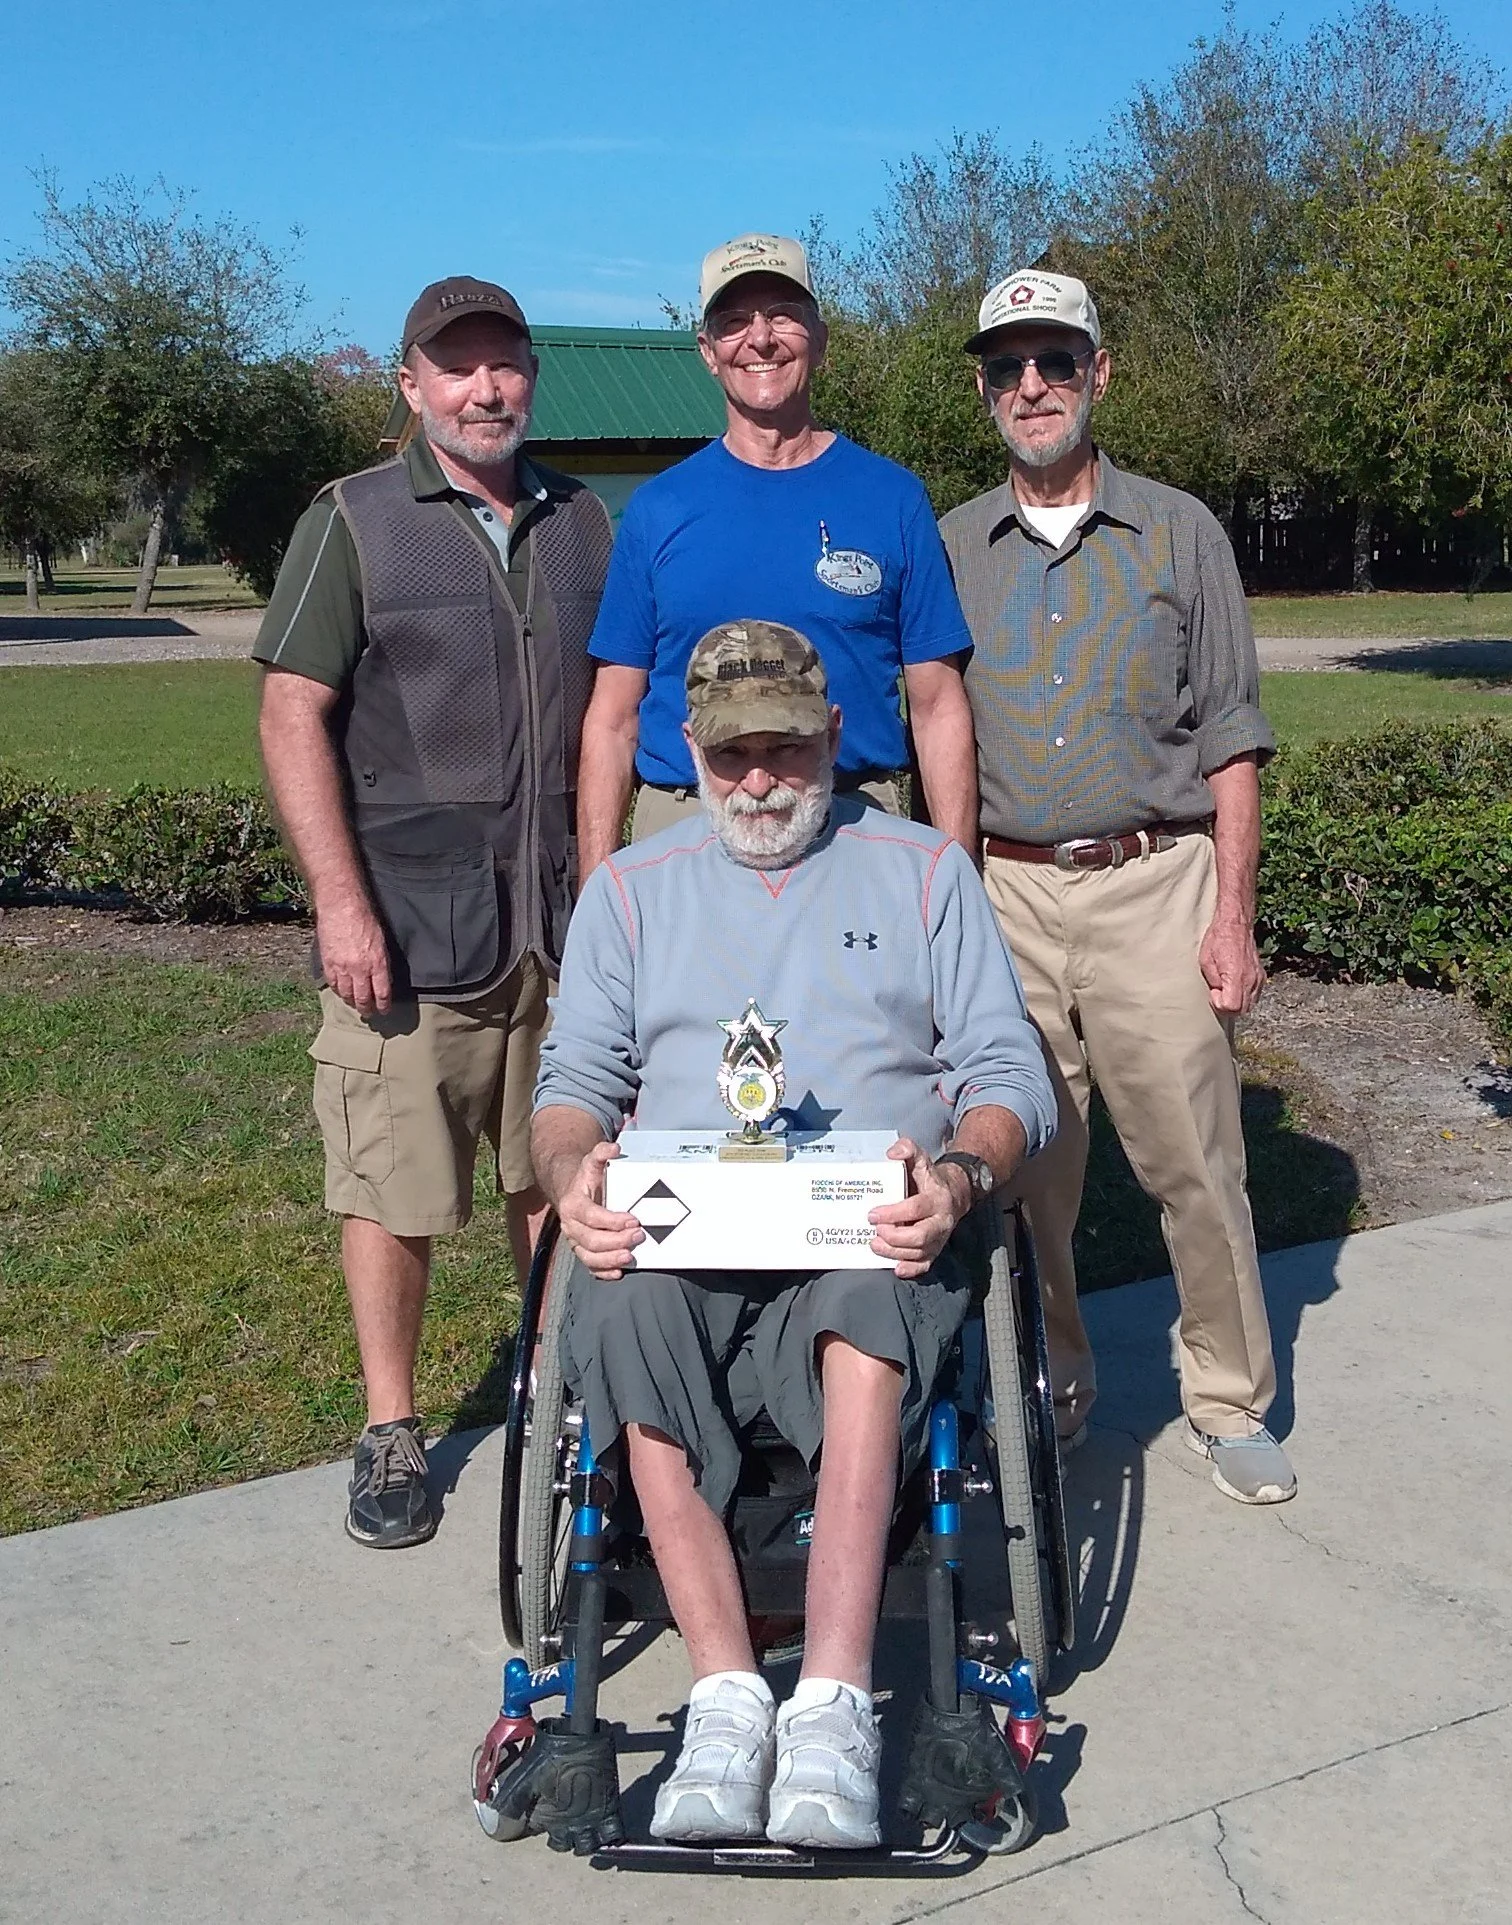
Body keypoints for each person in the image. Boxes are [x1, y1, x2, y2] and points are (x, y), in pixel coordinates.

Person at [532, 619, 1055, 1848]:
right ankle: (725, 1693)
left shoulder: (925, 871)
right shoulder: (629, 893)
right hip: (691, 1228)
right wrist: (573, 1175)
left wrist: (965, 1178)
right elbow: (570, 1084)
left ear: (831, 735)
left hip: (866, 1222)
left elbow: (1005, 1073)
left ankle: (828, 1701)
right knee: (617, 1298)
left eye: (783, 747)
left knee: (874, 1288)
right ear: (689, 755)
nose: (758, 778)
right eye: (729, 755)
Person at [255, 277, 613, 1550]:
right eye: (455, 368)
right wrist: (339, 903)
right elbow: (291, 709)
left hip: (559, 928)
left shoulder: (582, 523)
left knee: (553, 1175)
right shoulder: (353, 521)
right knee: (394, 1189)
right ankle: (393, 1427)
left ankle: (556, 1392)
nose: (485, 389)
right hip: (405, 931)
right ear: (411, 384)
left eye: (504, 365)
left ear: (529, 375)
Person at [939, 269, 1296, 1506]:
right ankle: (1054, 1389)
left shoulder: (1181, 531)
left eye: (1054, 361)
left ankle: (1229, 1396)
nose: (1029, 386)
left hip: (1157, 882)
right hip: (1007, 897)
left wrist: (1233, 917)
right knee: (1026, 1168)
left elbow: (1234, 738)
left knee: (1196, 1160)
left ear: (1099, 372)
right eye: (1006, 368)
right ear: (985, 388)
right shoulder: (951, 547)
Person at [575, 233, 978, 876]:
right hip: (690, 822)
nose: (760, 339)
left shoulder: (892, 498)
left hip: (854, 821)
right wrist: (598, 889)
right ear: (708, 353)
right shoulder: (659, 510)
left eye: (782, 315)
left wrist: (956, 877)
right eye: (733, 322)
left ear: (818, 337)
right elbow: (613, 719)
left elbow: (936, 707)